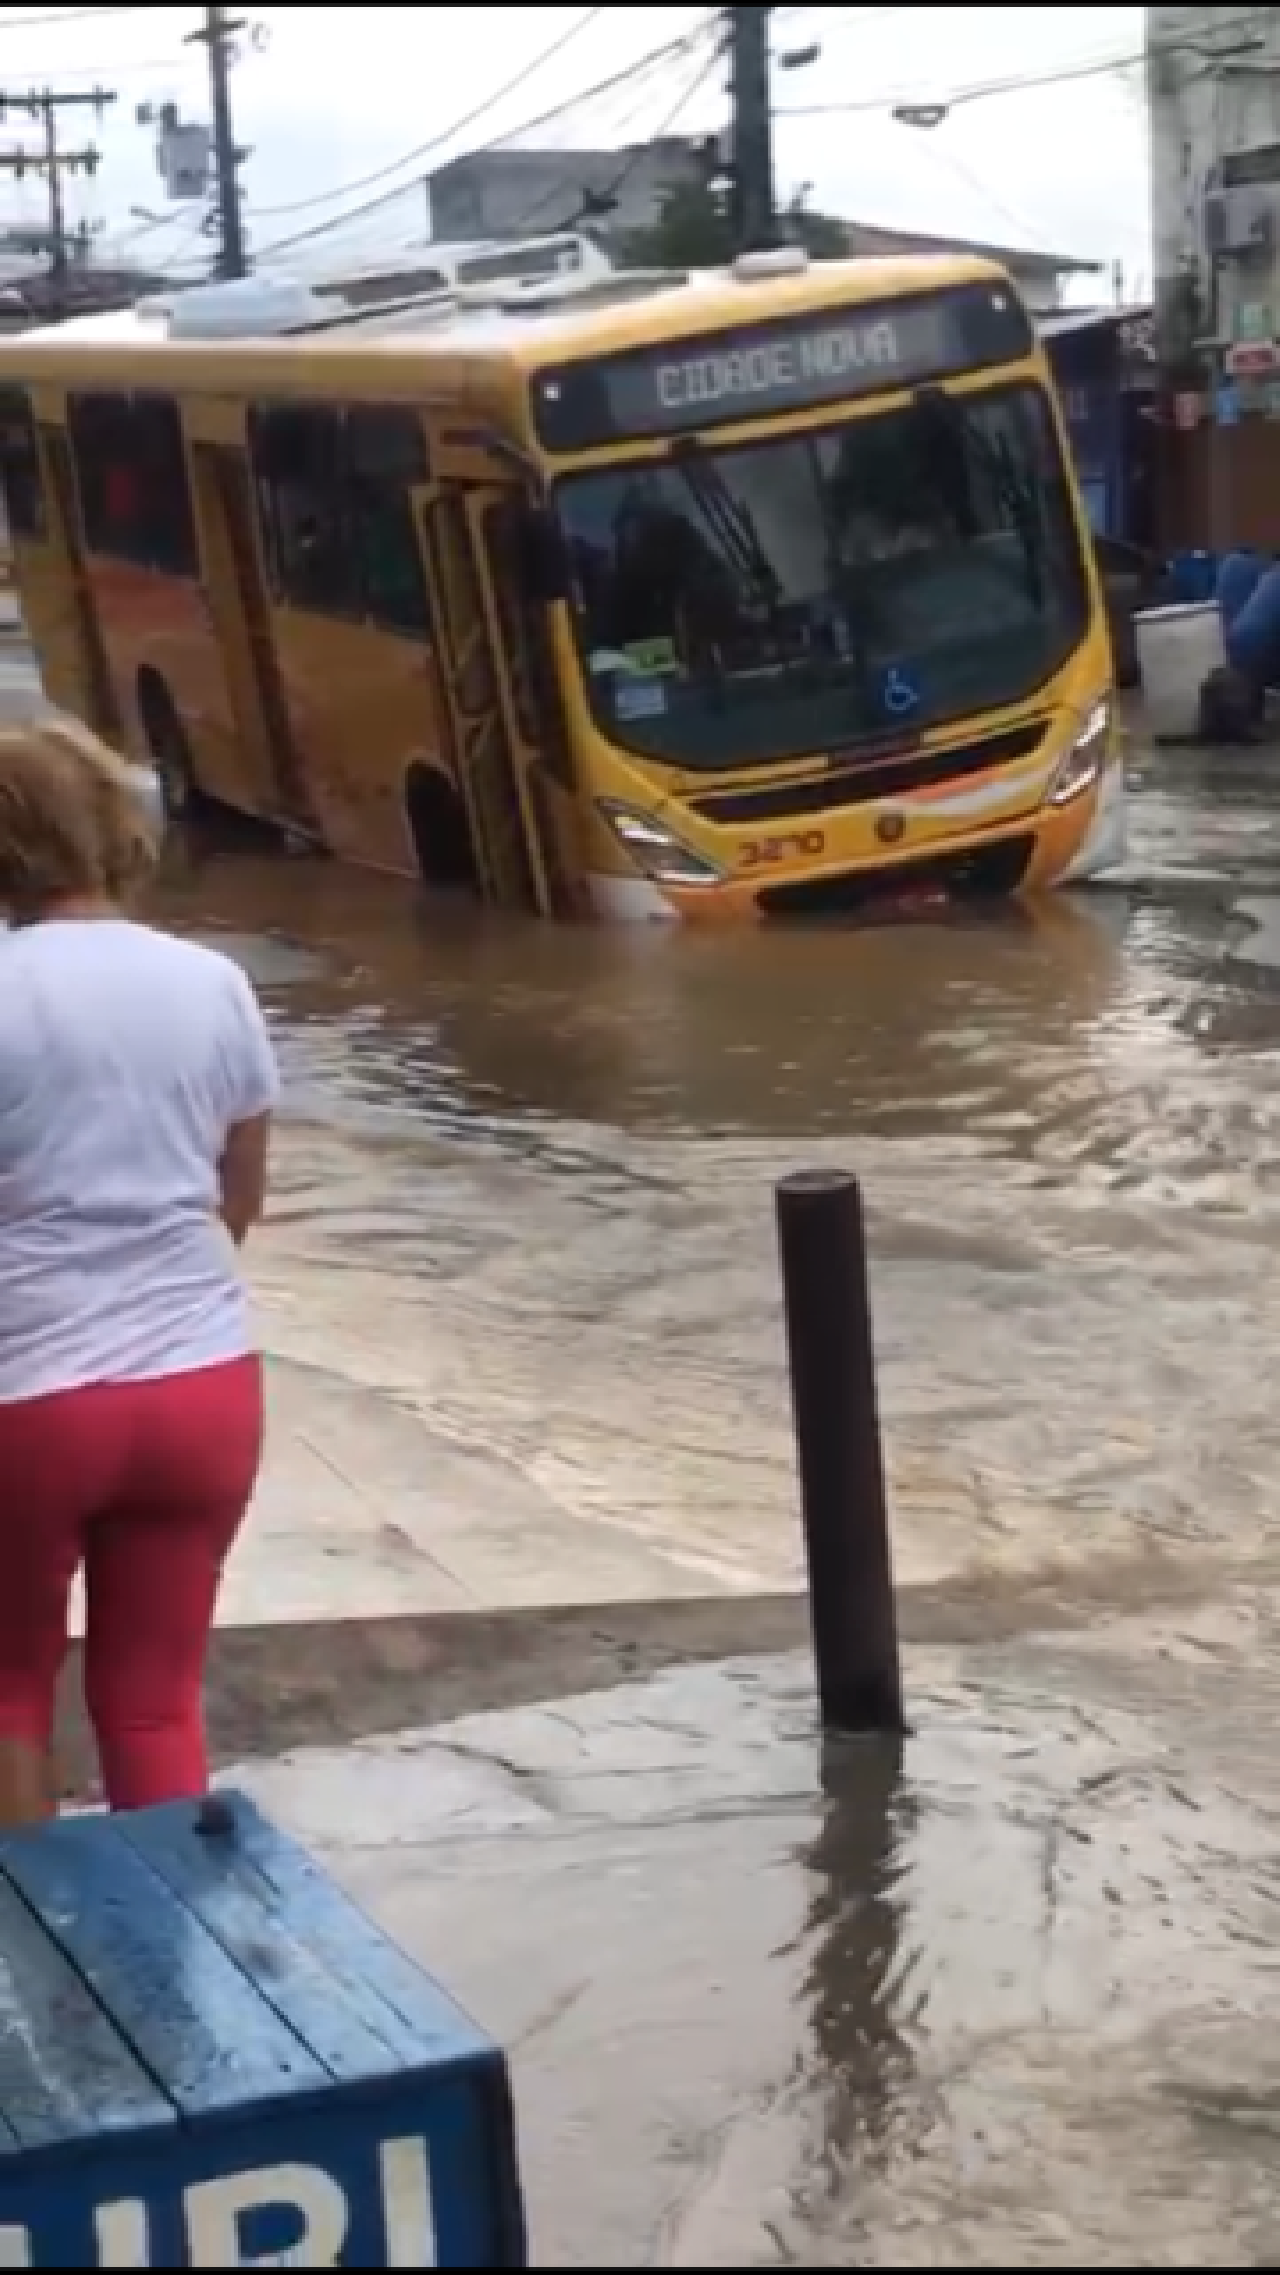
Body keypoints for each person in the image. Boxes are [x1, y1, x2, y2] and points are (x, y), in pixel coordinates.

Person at [0, 715, 280, 1824]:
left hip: (30, 1394)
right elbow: (238, 1196)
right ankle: (160, 1970)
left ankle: (30, 1964)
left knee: (10, 1689)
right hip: (203, 1387)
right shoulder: (212, 983)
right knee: (156, 1703)